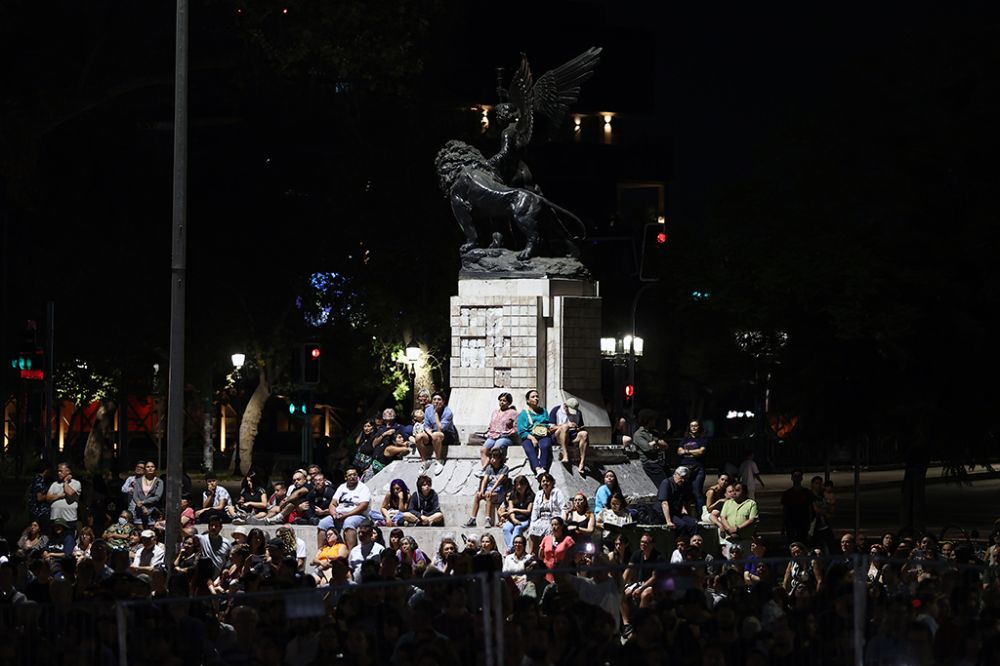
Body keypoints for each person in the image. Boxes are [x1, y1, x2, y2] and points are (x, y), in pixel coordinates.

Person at [621, 531, 666, 636]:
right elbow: (628, 570)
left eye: (646, 542)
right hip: (640, 583)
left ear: (652, 544)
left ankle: (639, 622)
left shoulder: (658, 557)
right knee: (622, 594)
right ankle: (626, 624)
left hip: (656, 585)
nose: (643, 544)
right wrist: (621, 584)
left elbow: (655, 577)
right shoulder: (637, 554)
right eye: (642, 542)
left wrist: (640, 588)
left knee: (645, 594)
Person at [318, 467, 372, 550]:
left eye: (355, 474)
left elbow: (363, 506)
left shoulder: (363, 488)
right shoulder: (342, 487)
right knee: (322, 523)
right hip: (339, 514)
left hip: (357, 515)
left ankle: (351, 553)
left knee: (348, 523)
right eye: (350, 475)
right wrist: (333, 513)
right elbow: (333, 503)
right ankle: (320, 552)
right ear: (345, 478)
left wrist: (346, 515)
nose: (353, 477)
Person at [466, 447, 508, 528]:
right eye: (491, 457)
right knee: (478, 495)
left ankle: (488, 519)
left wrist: (491, 490)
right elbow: (485, 480)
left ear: (499, 459)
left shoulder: (504, 468)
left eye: (495, 457)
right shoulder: (489, 468)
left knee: (489, 496)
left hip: (500, 492)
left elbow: (499, 481)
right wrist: (482, 490)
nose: (492, 459)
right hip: (489, 490)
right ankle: (473, 519)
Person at [517, 389, 555, 478]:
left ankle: (543, 468)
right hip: (529, 435)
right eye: (533, 397)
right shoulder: (523, 414)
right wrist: (532, 438)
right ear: (528, 400)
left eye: (537, 396)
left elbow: (547, 424)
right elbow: (521, 431)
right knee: (529, 448)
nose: (536, 398)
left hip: (543, 434)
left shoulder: (544, 411)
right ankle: (537, 469)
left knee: (545, 445)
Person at [527, 473, 566, 553]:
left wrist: (561, 521)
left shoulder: (557, 492)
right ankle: (531, 553)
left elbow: (563, 507)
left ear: (552, 482)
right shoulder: (538, 494)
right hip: (541, 519)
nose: (545, 483)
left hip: (553, 519)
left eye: (547, 481)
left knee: (549, 530)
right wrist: (533, 523)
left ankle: (548, 552)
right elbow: (534, 510)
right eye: (543, 481)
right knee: (531, 531)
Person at [478, 392, 518, 470]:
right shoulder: (495, 412)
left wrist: (511, 432)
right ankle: (486, 469)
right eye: (500, 400)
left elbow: (517, 426)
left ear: (509, 402)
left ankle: (484, 469)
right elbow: (491, 424)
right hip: (492, 436)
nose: (502, 402)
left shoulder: (513, 413)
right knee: (483, 450)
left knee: (495, 449)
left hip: (505, 437)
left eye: (504, 400)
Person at [719, 481, 759, 558]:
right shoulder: (728, 503)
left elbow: (752, 519)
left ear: (744, 492)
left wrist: (737, 528)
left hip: (744, 540)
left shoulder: (751, 503)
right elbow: (723, 517)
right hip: (730, 539)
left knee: (745, 561)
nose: (734, 493)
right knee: (730, 562)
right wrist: (728, 528)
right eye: (733, 491)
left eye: (737, 490)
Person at [550, 397, 590, 473]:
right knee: (565, 427)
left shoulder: (578, 413)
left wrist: (578, 428)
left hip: (572, 436)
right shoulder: (556, 410)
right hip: (559, 435)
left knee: (584, 434)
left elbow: (581, 427)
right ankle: (565, 454)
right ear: (565, 406)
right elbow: (550, 428)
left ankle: (582, 462)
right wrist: (566, 425)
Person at [631, 409, 670, 487]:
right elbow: (647, 448)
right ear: (648, 420)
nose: (654, 422)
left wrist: (655, 443)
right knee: (663, 486)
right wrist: (657, 442)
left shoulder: (654, 432)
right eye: (653, 420)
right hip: (651, 464)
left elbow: (665, 445)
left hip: (661, 462)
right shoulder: (639, 434)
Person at [677, 420, 708, 512]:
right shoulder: (685, 439)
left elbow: (701, 451)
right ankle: (687, 513)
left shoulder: (703, 439)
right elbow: (679, 451)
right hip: (685, 467)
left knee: (697, 491)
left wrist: (686, 451)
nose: (694, 427)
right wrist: (694, 452)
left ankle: (701, 514)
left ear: (699, 427)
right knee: (685, 492)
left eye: (696, 426)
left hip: (698, 467)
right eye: (692, 426)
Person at [657, 466, 698, 536]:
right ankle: (680, 543)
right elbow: (664, 503)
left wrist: (689, 516)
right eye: (681, 477)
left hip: (676, 512)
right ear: (675, 474)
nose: (683, 480)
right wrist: (668, 521)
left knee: (693, 523)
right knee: (682, 525)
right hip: (664, 513)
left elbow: (687, 502)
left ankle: (692, 542)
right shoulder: (666, 483)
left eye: (685, 478)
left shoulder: (685, 485)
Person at [500, 475, 534, 551]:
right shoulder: (512, 495)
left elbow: (528, 511)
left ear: (526, 485)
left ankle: (510, 549)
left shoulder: (531, 495)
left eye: (521, 484)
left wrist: (516, 510)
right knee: (506, 528)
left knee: (518, 528)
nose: (519, 487)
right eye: (517, 485)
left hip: (525, 519)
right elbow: (510, 511)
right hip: (513, 519)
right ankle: (512, 548)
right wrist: (514, 520)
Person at [780, 469, 813, 543]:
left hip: (803, 522)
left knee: (803, 542)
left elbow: (810, 508)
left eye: (798, 476)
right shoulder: (787, 493)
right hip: (790, 522)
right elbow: (784, 510)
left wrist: (810, 523)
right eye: (795, 476)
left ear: (801, 478)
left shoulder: (807, 492)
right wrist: (783, 526)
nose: (797, 478)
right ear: (792, 478)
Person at [47, 462, 82, 529]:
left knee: (68, 538)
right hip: (55, 518)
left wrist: (65, 482)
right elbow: (48, 498)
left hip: (69, 519)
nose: (58, 473)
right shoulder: (55, 484)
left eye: (60, 471)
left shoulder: (76, 483)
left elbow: (69, 493)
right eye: (58, 471)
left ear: (68, 471)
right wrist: (59, 496)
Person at [197, 514, 232, 578]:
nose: (213, 528)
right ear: (208, 527)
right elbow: (188, 535)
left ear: (220, 527)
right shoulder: (202, 539)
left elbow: (229, 560)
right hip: (204, 578)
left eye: (216, 525)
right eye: (211, 525)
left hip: (219, 579)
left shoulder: (227, 543)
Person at [132, 461, 164, 527]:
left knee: (150, 532)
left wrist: (143, 502)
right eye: (148, 467)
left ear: (155, 469)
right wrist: (142, 507)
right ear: (145, 469)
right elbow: (135, 495)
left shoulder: (159, 481)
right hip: (139, 509)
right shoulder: (138, 481)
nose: (150, 468)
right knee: (139, 531)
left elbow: (157, 497)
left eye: (152, 467)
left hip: (152, 510)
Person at [26, 460, 52, 532]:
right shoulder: (39, 479)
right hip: (40, 513)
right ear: (46, 470)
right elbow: (39, 497)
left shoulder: (36, 478)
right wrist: (52, 495)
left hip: (37, 512)